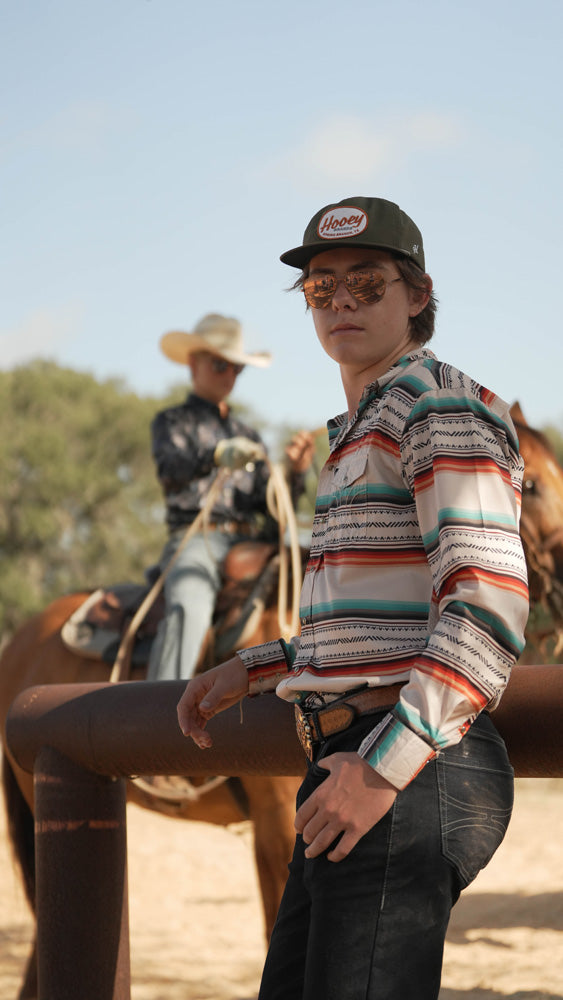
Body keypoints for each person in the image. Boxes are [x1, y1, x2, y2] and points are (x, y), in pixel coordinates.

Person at [177, 198, 529, 999]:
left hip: (405, 764)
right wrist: (258, 666)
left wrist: (380, 770)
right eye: (319, 290)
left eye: (365, 285)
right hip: (355, 756)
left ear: (417, 294)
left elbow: (486, 601)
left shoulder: (435, 402)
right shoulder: (355, 427)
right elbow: (383, 620)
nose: (340, 304)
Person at [148, 312, 314, 683]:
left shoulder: (248, 434)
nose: (229, 376)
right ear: (193, 364)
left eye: (236, 369)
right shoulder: (172, 422)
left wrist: (295, 471)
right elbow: (171, 469)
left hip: (249, 541)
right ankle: (157, 708)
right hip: (196, 539)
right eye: (220, 365)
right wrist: (216, 455)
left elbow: (271, 510)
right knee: (189, 606)